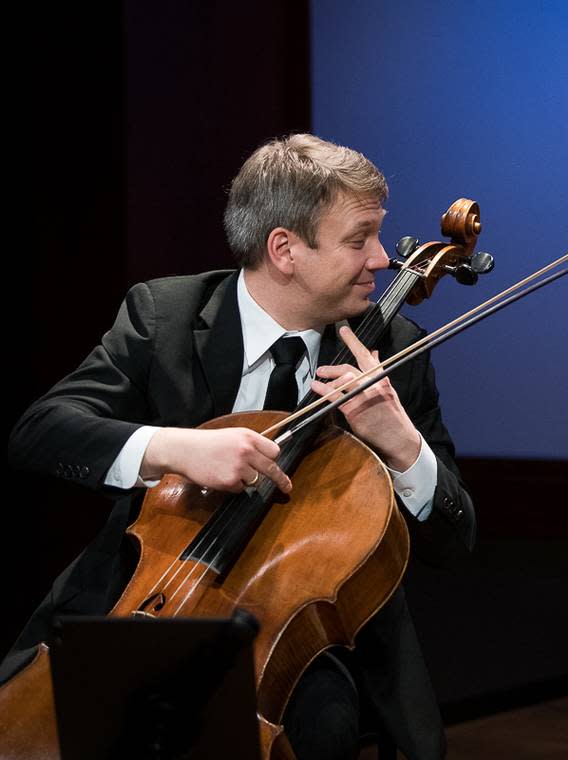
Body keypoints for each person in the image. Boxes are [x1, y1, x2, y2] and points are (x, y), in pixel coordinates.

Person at [4, 134, 475, 759]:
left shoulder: (395, 350)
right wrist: (175, 448)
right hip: (140, 604)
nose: (384, 260)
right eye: (359, 239)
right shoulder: (164, 315)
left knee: (319, 730)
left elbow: (455, 539)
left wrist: (403, 444)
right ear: (284, 249)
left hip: (300, 639)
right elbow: (40, 431)